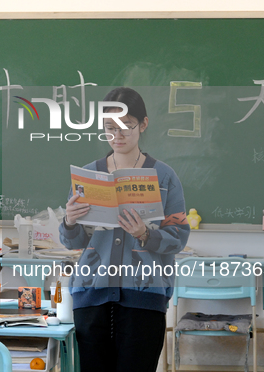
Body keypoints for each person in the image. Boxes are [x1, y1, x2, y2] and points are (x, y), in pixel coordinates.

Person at [59, 87, 190, 372]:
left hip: (144, 297)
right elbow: (73, 242)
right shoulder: (87, 175)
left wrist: (145, 233)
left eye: (126, 126)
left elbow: (178, 238)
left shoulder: (165, 177)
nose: (117, 134)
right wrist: (70, 221)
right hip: (92, 295)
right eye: (109, 127)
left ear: (143, 124)